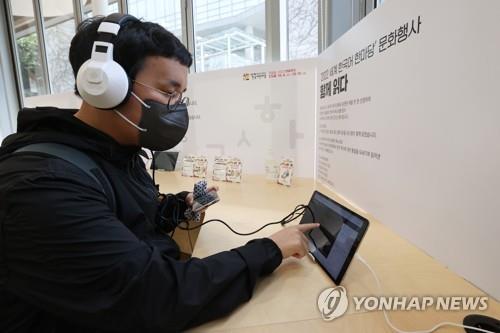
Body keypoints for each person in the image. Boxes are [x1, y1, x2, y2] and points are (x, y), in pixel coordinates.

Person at [0, 13, 319, 333]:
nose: (177, 107)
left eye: (181, 96)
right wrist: (270, 250)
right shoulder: (41, 186)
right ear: (105, 85)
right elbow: (155, 296)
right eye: (169, 92)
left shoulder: (115, 154)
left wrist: (180, 205)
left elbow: (133, 220)